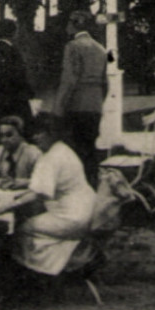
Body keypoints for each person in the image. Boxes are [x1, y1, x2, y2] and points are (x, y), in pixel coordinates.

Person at [0, 113, 97, 278]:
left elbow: (38, 195)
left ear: (53, 134)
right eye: (35, 133)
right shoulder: (64, 150)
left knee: (21, 229)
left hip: (71, 218)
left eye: (42, 133)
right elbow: (41, 189)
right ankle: (55, 264)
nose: (36, 137)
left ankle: (40, 272)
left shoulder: (50, 159)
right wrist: (20, 195)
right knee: (31, 222)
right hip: (88, 210)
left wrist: (4, 207)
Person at [54, 10, 109, 187]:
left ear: (74, 24)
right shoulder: (101, 49)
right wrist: (99, 100)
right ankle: (93, 186)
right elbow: (106, 82)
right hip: (95, 106)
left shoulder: (72, 47)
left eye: (68, 23)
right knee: (90, 149)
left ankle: (78, 190)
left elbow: (69, 80)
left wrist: (58, 108)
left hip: (76, 106)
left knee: (75, 151)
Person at [0, 18, 35, 152]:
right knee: (20, 135)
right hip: (13, 103)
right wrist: (30, 93)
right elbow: (19, 79)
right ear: (13, 33)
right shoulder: (13, 53)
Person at [0, 115, 40, 189]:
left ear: (20, 134)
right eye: (1, 136)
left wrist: (24, 183)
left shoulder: (33, 153)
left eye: (9, 135)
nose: (4, 140)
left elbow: (42, 181)